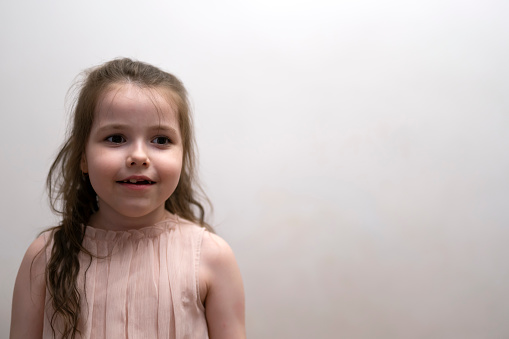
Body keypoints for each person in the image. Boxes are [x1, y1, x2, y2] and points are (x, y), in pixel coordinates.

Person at [10, 58, 245, 339]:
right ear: (83, 156)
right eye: (116, 138)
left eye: (160, 140)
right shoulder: (45, 257)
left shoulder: (211, 257)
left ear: (183, 156)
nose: (138, 156)